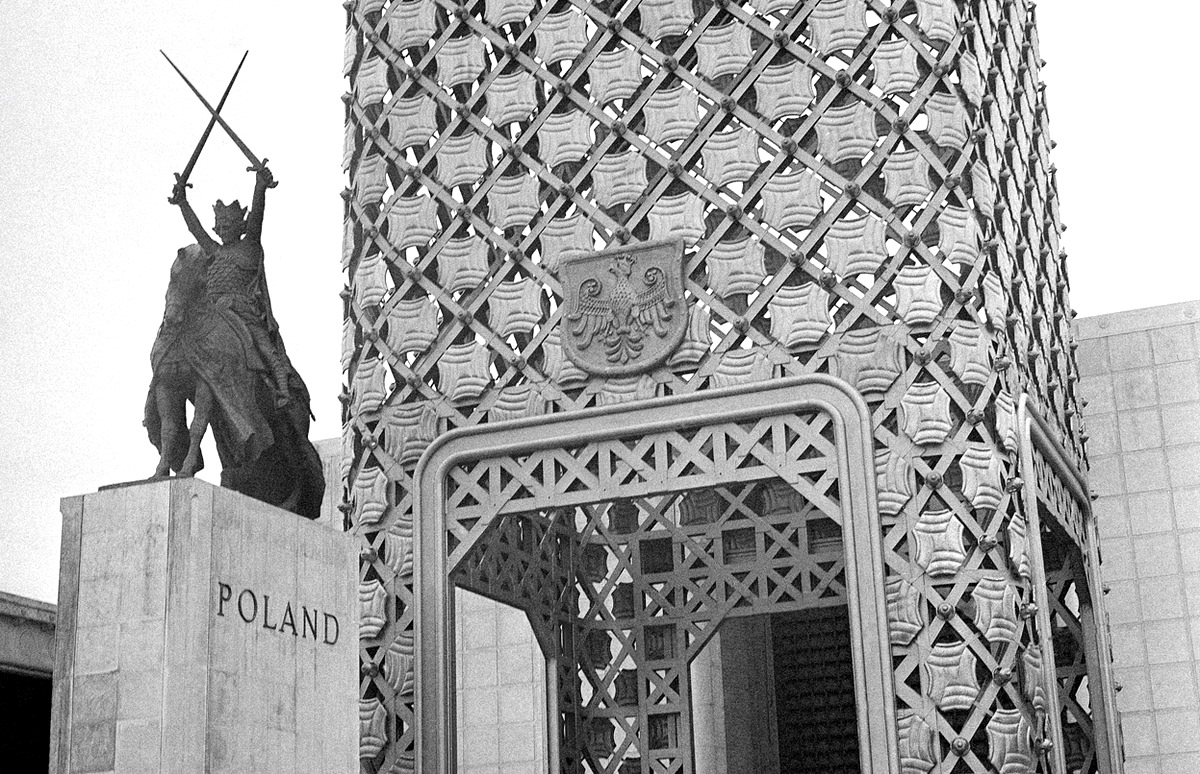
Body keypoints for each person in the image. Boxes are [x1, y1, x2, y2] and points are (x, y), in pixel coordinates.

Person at [170, 164, 291, 406]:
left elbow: (257, 216)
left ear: (239, 226)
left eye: (228, 226)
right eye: (220, 227)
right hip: (213, 311)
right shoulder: (214, 251)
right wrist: (183, 202)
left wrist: (260, 186)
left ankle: (283, 388)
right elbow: (196, 229)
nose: (223, 230)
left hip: (242, 311)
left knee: (264, 346)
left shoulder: (249, 247)